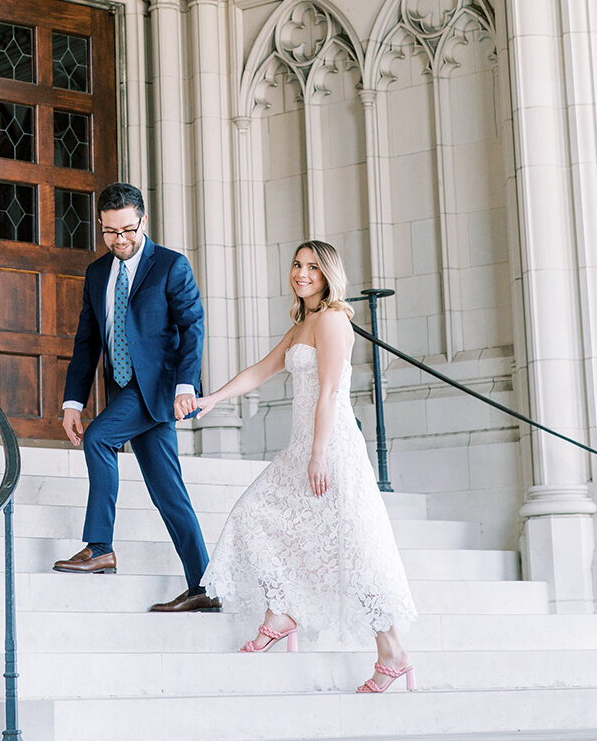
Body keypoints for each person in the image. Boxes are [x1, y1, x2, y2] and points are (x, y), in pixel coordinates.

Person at [188, 240, 417, 692]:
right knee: (252, 515)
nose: (302, 272)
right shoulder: (303, 323)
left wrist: (318, 454)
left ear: (328, 273)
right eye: (297, 264)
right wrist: (212, 398)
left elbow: (330, 392)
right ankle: (282, 611)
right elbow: (262, 369)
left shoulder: (332, 320)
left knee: (356, 550)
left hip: (329, 449)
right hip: (301, 448)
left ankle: (392, 653)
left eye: (312, 266)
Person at [54, 182, 221, 614]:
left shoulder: (171, 265)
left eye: (128, 229)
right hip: (124, 387)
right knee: (169, 492)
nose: (120, 240)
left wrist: (187, 385)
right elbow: (86, 342)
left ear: (142, 221)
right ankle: (204, 586)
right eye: (111, 232)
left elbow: (192, 328)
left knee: (99, 439)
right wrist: (74, 401)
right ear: (101, 226)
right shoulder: (96, 274)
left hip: (161, 389)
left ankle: (99, 547)